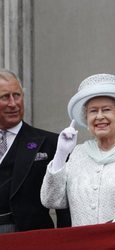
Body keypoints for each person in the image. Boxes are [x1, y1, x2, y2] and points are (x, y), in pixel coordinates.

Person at [41, 73, 115, 226]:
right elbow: (51, 199)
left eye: (106, 109)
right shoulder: (78, 154)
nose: (99, 116)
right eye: (93, 111)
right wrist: (61, 154)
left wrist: (105, 234)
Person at [0, 69, 71, 233]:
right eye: (5, 97)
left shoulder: (52, 143)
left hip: (31, 238)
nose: (13, 103)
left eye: (17, 95)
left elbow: (64, 207)